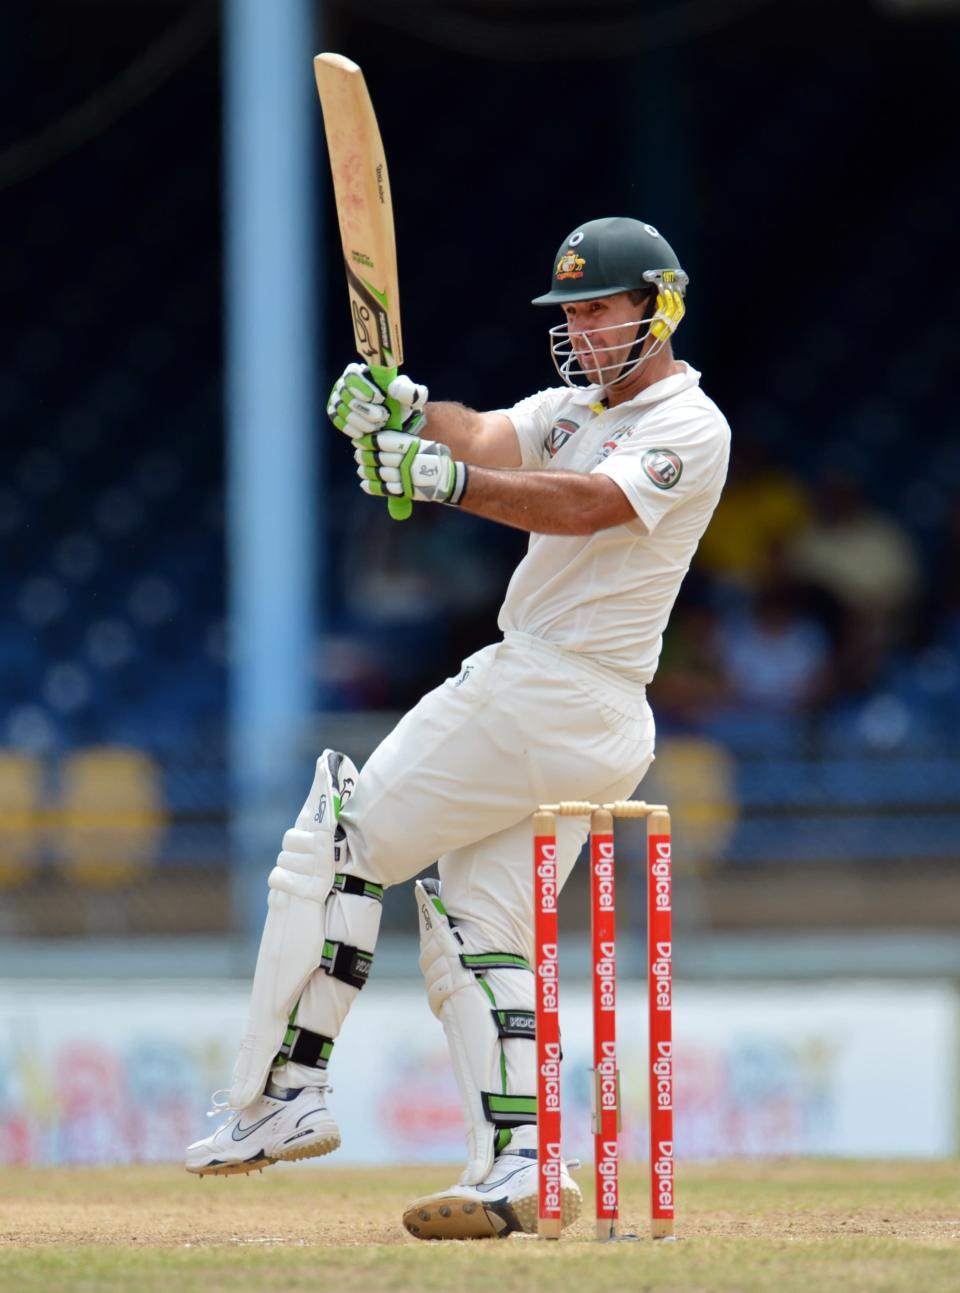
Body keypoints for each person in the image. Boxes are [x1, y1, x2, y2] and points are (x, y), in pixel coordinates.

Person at [185, 216, 731, 1240]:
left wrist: (450, 484)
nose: (579, 327)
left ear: (660, 307)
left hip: (552, 687)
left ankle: (281, 1094)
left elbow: (583, 507)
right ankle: (520, 1166)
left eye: (600, 307)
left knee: (338, 846)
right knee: (480, 932)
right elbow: (482, 431)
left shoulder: (689, 425)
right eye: (568, 311)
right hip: (584, 717)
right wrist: (409, 413)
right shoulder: (573, 408)